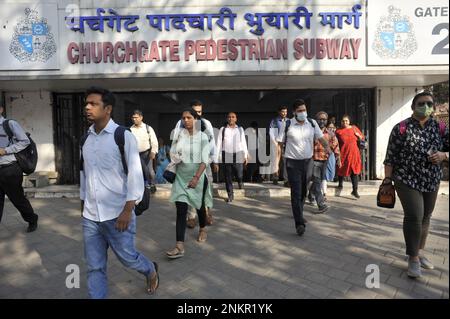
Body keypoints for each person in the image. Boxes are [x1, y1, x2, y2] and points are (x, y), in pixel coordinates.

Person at [80, 87, 159, 298]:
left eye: (93, 103)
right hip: (90, 217)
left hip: (117, 214)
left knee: (128, 258)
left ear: (107, 109)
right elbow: (84, 174)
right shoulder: (85, 139)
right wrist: (82, 203)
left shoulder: (123, 136)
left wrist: (127, 209)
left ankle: (150, 269)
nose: (87, 107)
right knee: (94, 267)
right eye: (87, 103)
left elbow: (135, 175)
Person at [382, 91, 449, 278]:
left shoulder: (440, 127)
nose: (425, 106)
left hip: (431, 179)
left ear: (434, 107)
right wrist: (388, 180)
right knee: (415, 216)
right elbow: (390, 158)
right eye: (421, 103)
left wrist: (444, 155)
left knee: (426, 216)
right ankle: (413, 258)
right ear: (413, 106)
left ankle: (419, 252)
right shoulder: (401, 128)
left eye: (429, 103)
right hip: (406, 179)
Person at [277, 99, 331, 236]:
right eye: (300, 110)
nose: (303, 112)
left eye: (304, 110)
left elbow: (321, 138)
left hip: (308, 162)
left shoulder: (312, 123)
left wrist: (328, 148)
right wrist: (277, 162)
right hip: (292, 163)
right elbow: (279, 144)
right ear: (295, 112)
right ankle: (299, 223)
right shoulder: (288, 124)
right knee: (296, 192)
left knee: (302, 192)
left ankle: (299, 214)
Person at [166, 109, 213, 259]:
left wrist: (196, 178)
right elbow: (172, 152)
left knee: (199, 206)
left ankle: (203, 228)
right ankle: (179, 246)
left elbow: (205, 160)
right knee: (181, 211)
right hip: (181, 178)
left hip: (197, 178)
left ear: (196, 119)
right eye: (183, 118)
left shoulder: (203, 137)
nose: (185, 120)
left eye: (189, 117)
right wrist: (175, 157)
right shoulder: (179, 135)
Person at [173, 100, 216, 228]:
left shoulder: (206, 123)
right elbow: (175, 142)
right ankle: (191, 216)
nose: (197, 114)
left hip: (205, 162)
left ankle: (208, 212)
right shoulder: (180, 124)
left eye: (199, 112)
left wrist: (214, 160)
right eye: (195, 112)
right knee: (191, 189)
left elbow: (212, 142)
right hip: (187, 165)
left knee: (207, 188)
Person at [0, 104, 38, 232]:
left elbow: (24, 141)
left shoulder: (9, 124)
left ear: (1, 109)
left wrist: (6, 150)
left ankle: (32, 219)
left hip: (10, 169)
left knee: (17, 199)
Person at [307, 111, 341, 213]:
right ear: (316, 120)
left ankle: (310, 194)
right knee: (317, 181)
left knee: (320, 179)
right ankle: (321, 204)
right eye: (320, 119)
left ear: (327, 120)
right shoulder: (312, 132)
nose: (322, 121)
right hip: (313, 160)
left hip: (325, 160)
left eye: (324, 119)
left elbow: (336, 146)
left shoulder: (330, 134)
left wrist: (338, 158)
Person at [216, 112, 248, 203]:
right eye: (229, 117)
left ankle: (240, 181)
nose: (231, 118)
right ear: (227, 119)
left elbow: (243, 143)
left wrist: (245, 155)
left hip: (238, 153)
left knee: (239, 173)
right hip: (226, 154)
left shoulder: (240, 129)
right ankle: (230, 195)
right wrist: (217, 157)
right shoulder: (223, 129)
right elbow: (218, 144)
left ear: (236, 119)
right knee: (228, 176)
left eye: (233, 117)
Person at [335, 114, 365, 198]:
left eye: (346, 121)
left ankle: (355, 190)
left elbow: (362, 138)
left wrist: (359, 136)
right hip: (343, 153)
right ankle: (340, 184)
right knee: (341, 168)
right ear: (341, 122)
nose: (345, 122)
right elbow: (335, 143)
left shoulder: (354, 128)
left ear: (349, 121)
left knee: (354, 171)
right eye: (343, 121)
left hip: (354, 154)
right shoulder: (338, 131)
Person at [130, 110, 159, 193]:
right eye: (133, 117)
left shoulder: (148, 128)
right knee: (138, 171)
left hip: (147, 154)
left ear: (141, 117)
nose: (134, 119)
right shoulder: (130, 129)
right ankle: (144, 187)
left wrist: (153, 152)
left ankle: (152, 184)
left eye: (136, 117)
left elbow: (154, 141)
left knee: (150, 171)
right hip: (135, 154)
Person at [269, 105, 288, 186]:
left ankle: (286, 180)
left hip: (286, 144)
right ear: (279, 112)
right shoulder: (275, 121)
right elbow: (271, 132)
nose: (284, 113)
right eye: (283, 111)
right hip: (277, 143)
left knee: (285, 162)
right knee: (276, 161)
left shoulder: (288, 121)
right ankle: (275, 178)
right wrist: (274, 142)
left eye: (286, 112)